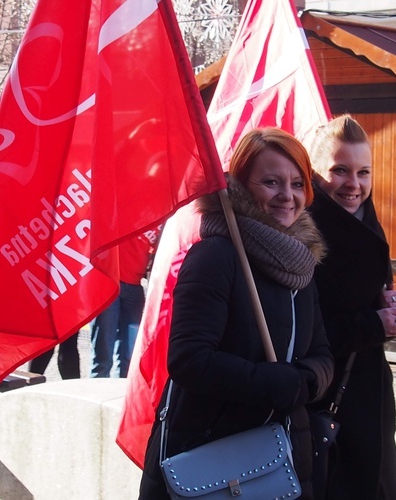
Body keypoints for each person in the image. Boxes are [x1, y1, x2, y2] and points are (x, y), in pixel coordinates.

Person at [139, 128, 334, 499]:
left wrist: (306, 379)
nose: (286, 196)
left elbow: (322, 353)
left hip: (283, 457)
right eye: (271, 182)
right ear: (242, 186)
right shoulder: (216, 255)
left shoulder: (301, 265)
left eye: (296, 183)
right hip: (213, 460)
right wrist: (271, 383)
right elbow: (189, 359)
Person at [308, 115, 396, 500]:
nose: (354, 184)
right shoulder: (309, 233)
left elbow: (376, 297)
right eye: (340, 170)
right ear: (317, 174)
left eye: (363, 172)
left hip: (369, 395)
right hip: (328, 396)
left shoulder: (368, 220)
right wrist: (373, 323)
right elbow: (306, 331)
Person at [90, 230, 158, 378]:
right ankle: (96, 392)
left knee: (129, 355)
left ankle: (120, 396)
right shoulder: (120, 207)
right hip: (109, 283)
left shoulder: (160, 215)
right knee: (102, 355)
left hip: (135, 287)